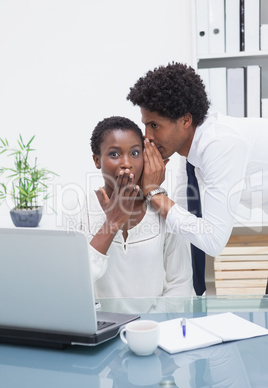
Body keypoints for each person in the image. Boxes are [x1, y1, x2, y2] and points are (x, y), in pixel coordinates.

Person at [127, 62, 268, 294]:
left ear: (185, 120)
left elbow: (213, 241)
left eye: (155, 125)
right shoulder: (189, 151)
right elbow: (181, 216)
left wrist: (153, 191)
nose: (148, 138)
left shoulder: (219, 144)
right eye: (145, 125)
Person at [66, 116, 193, 298]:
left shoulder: (162, 209)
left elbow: (180, 283)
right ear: (97, 160)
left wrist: (156, 323)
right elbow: (72, 282)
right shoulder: (78, 208)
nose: (127, 163)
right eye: (114, 154)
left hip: (152, 324)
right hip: (99, 325)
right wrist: (112, 222)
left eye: (134, 153)